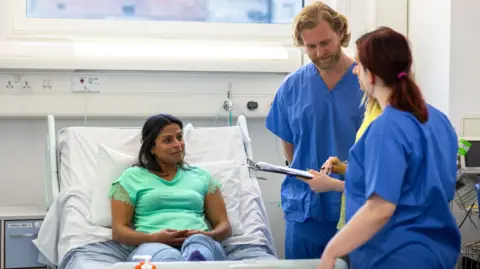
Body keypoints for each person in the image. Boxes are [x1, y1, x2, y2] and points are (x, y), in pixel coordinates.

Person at [305, 27, 461, 269]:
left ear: (372, 75)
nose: (355, 71)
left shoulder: (386, 128)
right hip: (438, 254)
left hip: (396, 255)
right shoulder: (438, 120)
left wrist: (332, 251)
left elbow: (380, 208)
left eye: (359, 65)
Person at [265, 2, 364, 259]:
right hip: (305, 207)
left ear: (341, 32)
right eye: (311, 46)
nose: (320, 52)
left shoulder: (366, 83)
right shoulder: (292, 86)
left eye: (325, 43)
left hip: (353, 204)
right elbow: (289, 145)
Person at [109, 114, 232, 262]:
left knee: (199, 246)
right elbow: (118, 232)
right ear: (152, 148)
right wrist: (152, 237)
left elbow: (224, 225)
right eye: (168, 140)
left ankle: (196, 260)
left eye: (179, 137)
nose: (177, 144)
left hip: (200, 243)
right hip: (151, 245)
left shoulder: (202, 177)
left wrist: (209, 235)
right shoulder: (132, 177)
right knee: (167, 257)